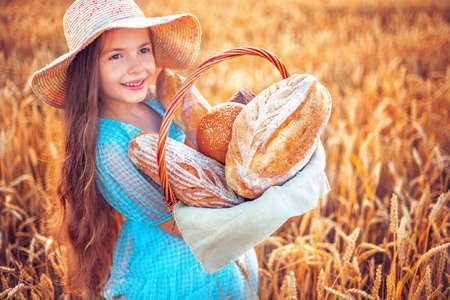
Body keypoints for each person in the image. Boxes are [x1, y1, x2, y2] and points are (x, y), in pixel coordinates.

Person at [31, 0, 329, 299]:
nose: (136, 66)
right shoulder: (109, 148)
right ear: (88, 70)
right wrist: (269, 211)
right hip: (172, 276)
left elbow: (209, 152)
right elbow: (179, 225)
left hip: (223, 263)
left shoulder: (158, 99)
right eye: (116, 56)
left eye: (143, 50)